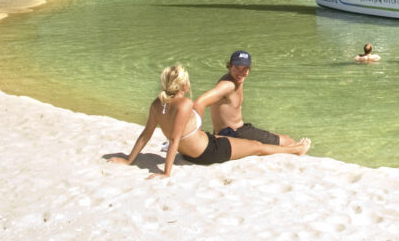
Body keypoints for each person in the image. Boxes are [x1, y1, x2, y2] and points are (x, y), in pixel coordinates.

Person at [109, 64, 309, 178]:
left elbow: (146, 134)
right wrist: (166, 172)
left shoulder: (157, 104)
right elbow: (175, 139)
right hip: (209, 152)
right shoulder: (184, 104)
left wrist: (129, 160)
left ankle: (292, 148)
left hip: (192, 153)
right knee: (256, 146)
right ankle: (295, 150)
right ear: (184, 84)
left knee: (252, 145)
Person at [192, 51, 302, 147]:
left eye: (245, 69)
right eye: (237, 68)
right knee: (289, 141)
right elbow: (199, 103)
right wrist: (197, 135)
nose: (241, 73)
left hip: (239, 129)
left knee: (283, 137)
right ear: (230, 66)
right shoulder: (227, 85)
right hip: (233, 133)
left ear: (249, 69)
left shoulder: (237, 80)